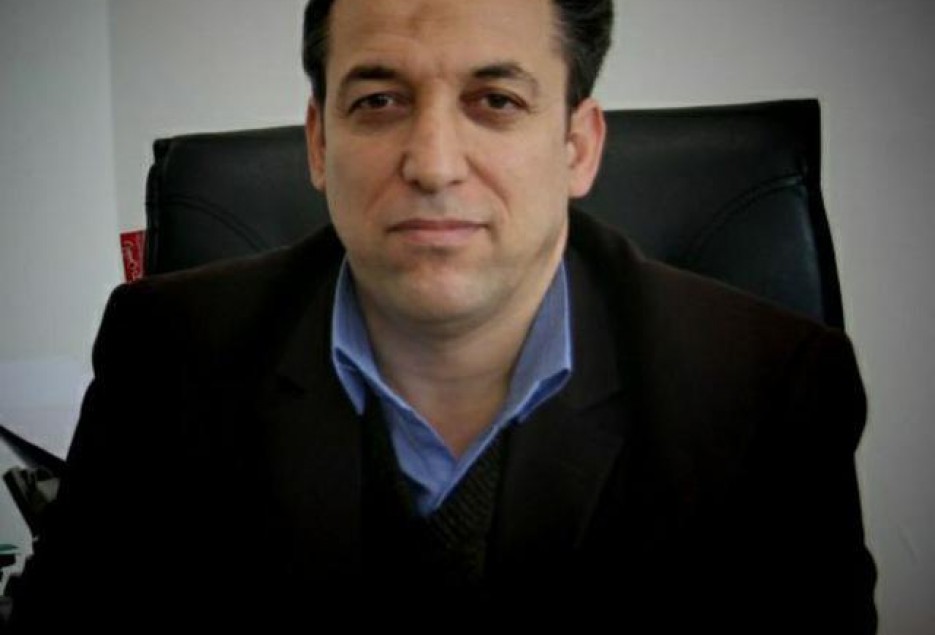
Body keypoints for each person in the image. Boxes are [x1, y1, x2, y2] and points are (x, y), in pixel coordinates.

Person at [10, 0, 876, 631]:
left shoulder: (768, 389)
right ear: (319, 143)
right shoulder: (167, 352)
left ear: (577, 147)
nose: (431, 163)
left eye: (495, 100)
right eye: (378, 101)